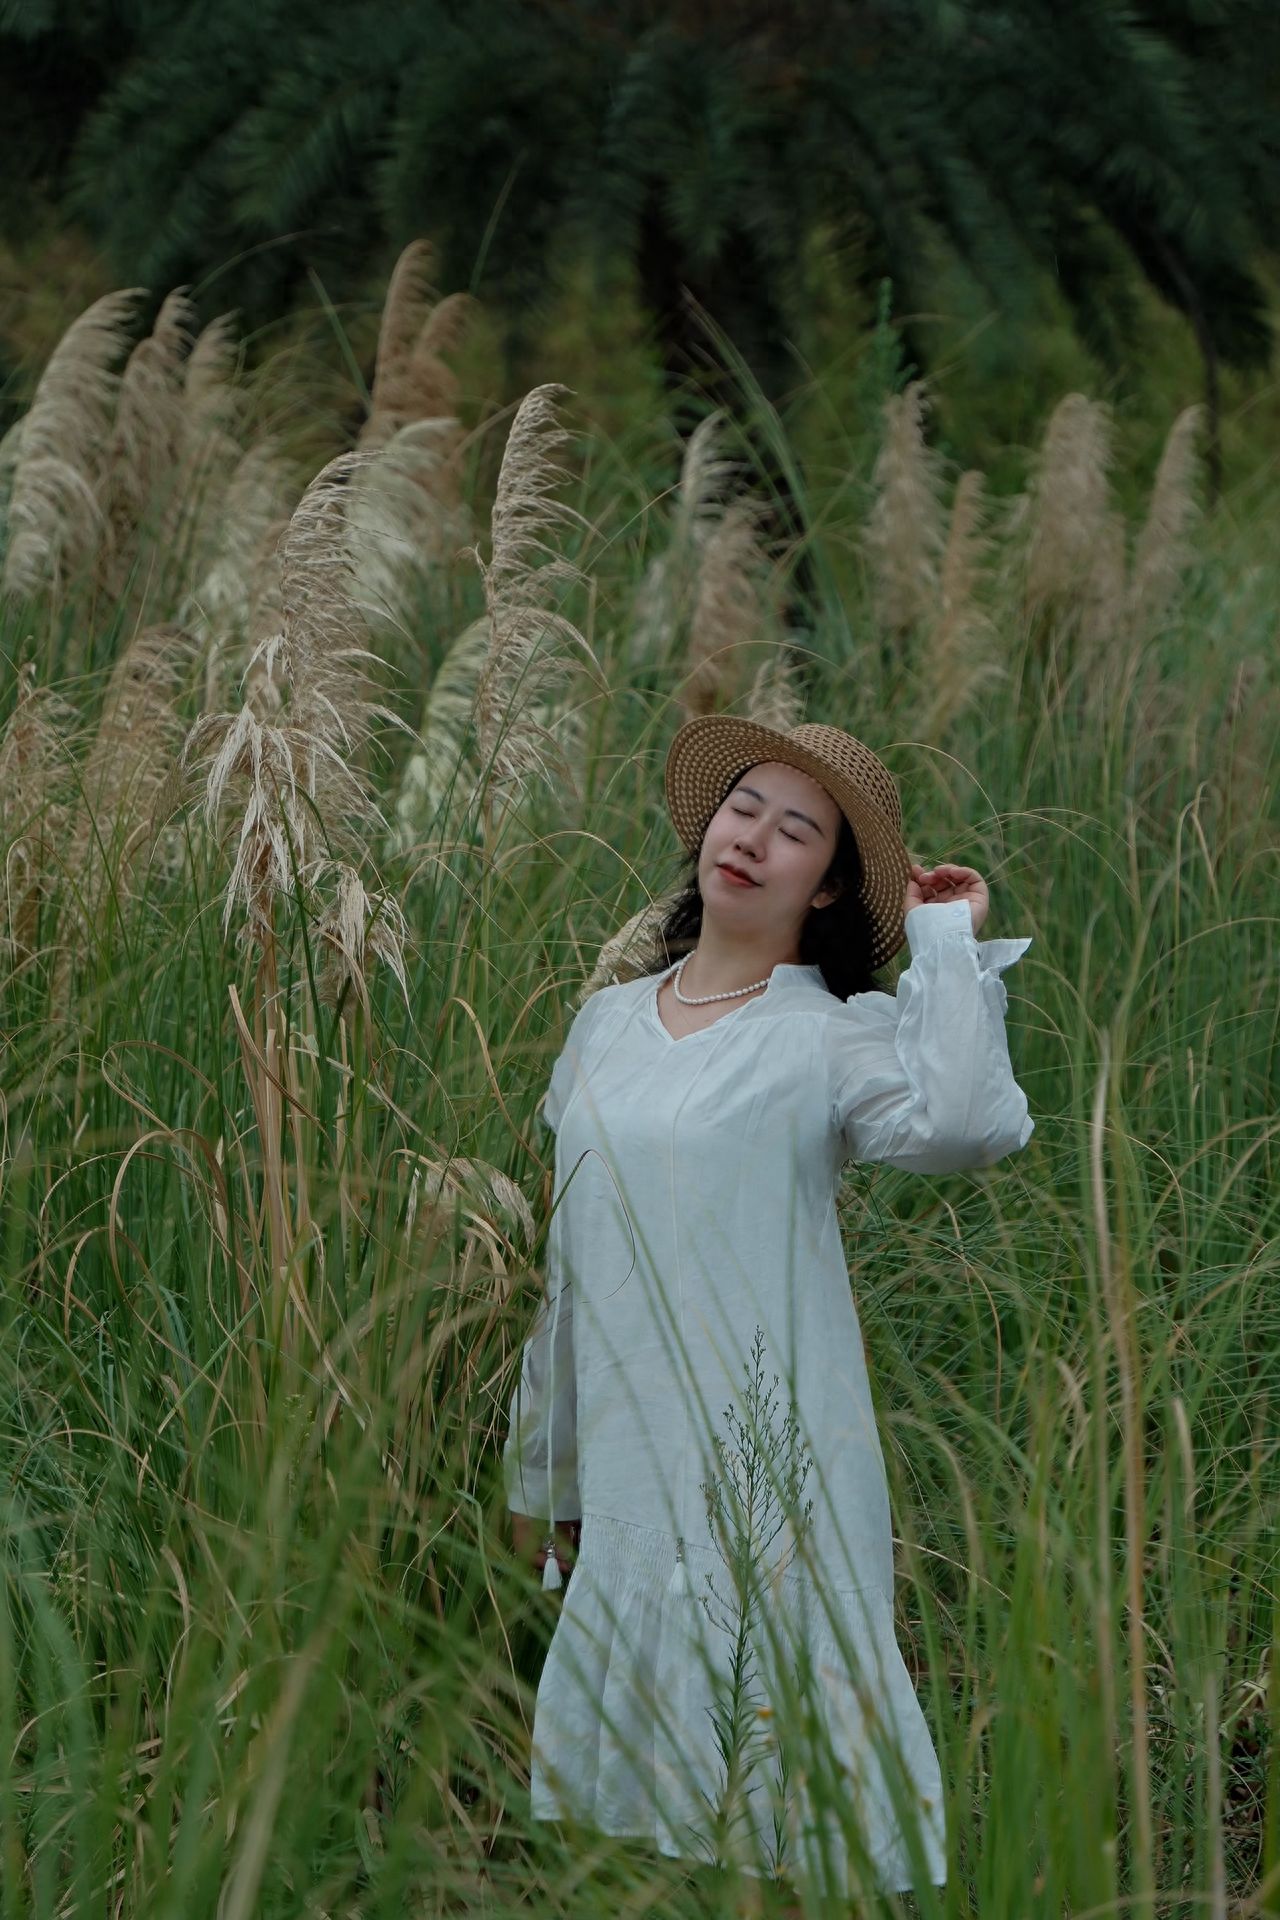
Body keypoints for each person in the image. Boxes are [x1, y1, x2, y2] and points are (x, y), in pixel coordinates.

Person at [503, 716, 1035, 1900]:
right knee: (637, 1823)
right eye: (742, 808)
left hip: (776, 1460)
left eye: (796, 830)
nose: (751, 839)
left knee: (784, 1817)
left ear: (829, 884)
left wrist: (943, 940)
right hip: (632, 1458)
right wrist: (544, 1474)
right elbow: (569, 1268)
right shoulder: (604, 1024)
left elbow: (964, 1127)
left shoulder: (827, 1036)